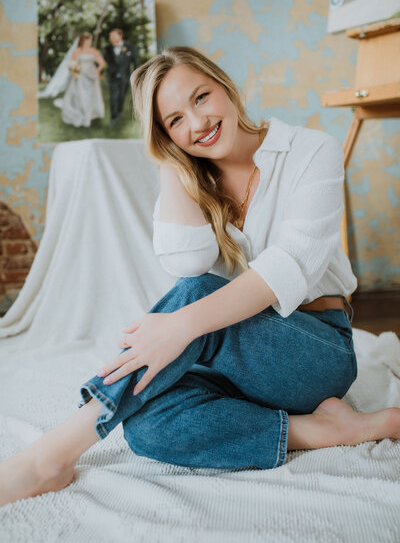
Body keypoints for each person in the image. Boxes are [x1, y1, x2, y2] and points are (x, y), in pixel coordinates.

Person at [1, 46, 400, 507]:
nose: (197, 123)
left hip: (316, 353)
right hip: (240, 362)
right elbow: (187, 260)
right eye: (173, 121)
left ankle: (52, 455)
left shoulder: (311, 150)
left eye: (201, 98)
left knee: (193, 298)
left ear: (225, 87)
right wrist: (172, 162)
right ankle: (320, 430)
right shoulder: (191, 179)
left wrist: (181, 325)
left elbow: (287, 268)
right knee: (147, 423)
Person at [61, 32, 106, 128]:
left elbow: (101, 62)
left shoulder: (93, 51)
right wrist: (75, 72)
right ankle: (82, 115)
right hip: (80, 76)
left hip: (91, 76)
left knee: (91, 96)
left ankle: (89, 115)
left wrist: (97, 71)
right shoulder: (77, 51)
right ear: (82, 41)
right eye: (86, 40)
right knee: (81, 95)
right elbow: (72, 64)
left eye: (90, 40)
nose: (88, 42)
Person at [102, 28, 139, 126]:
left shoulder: (130, 47)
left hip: (125, 76)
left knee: (121, 95)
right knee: (114, 96)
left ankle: (119, 111)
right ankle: (113, 117)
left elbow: (135, 62)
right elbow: (101, 61)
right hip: (112, 77)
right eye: (110, 36)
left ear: (120, 36)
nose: (111, 38)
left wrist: (135, 76)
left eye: (113, 36)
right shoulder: (107, 49)